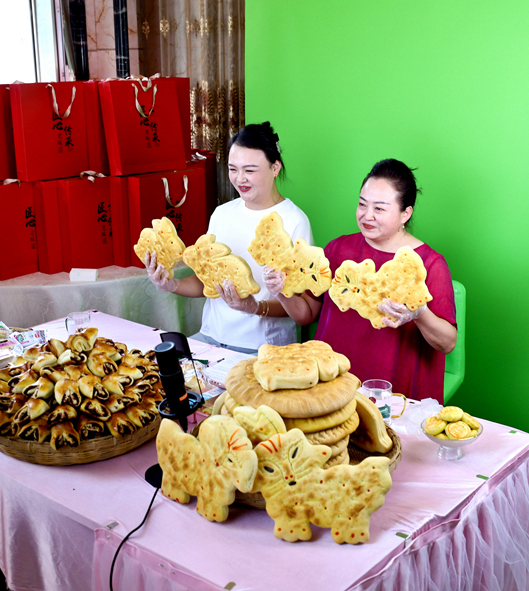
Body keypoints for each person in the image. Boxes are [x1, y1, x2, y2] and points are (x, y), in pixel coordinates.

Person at [262, 159, 457, 401]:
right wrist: (281, 291)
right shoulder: (338, 249)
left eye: (379, 209)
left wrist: (419, 314)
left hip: (390, 393)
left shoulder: (429, 264)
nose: (367, 216)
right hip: (330, 386)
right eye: (362, 204)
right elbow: (306, 314)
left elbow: (447, 343)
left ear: (405, 213)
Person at [144, 122, 313, 355]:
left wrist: (254, 307)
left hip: (261, 348)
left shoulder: (294, 221)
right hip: (210, 337)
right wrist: (170, 284)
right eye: (233, 169)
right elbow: (206, 281)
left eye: (250, 170)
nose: (240, 179)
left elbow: (302, 308)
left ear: (275, 168)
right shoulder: (222, 213)